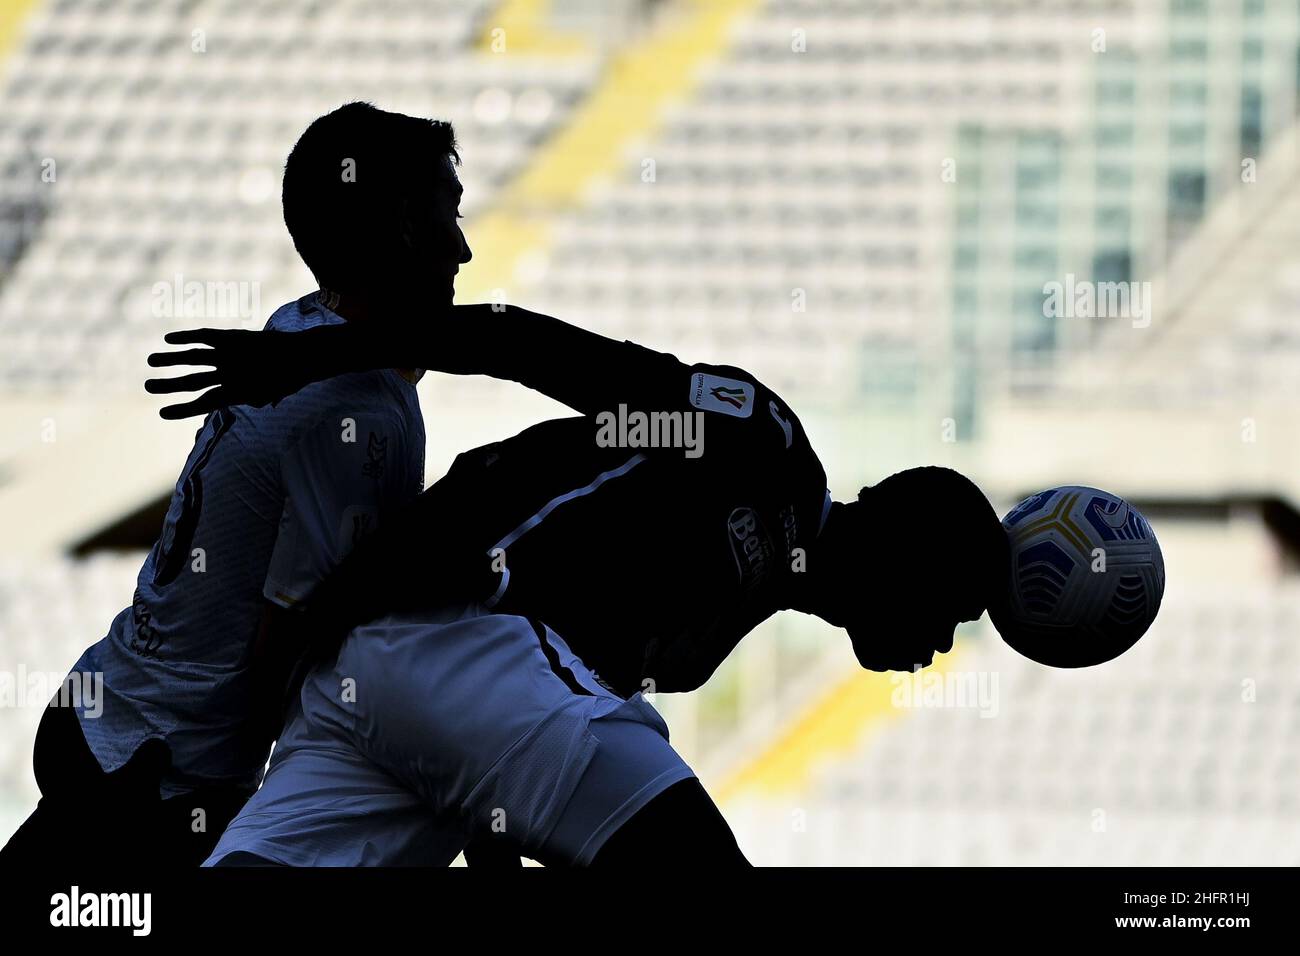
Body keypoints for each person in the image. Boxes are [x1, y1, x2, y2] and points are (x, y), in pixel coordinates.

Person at [145, 316, 1010, 867]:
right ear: (910, 553)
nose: (940, 645)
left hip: (378, 686)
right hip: (447, 624)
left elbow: (521, 736)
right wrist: (306, 358)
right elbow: (530, 347)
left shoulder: (712, 631)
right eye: (953, 610)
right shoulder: (761, 441)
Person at [0, 101, 467, 866]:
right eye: (448, 215)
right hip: (158, 779)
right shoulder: (357, 409)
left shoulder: (301, 329)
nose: (465, 248)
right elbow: (298, 632)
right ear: (404, 227)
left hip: (112, 717)